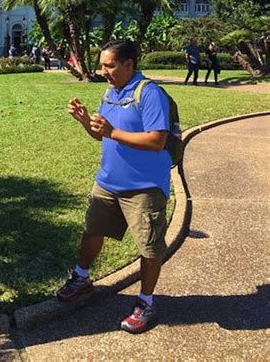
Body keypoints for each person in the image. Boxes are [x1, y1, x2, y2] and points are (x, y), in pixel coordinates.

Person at [57, 40, 172, 334]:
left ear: (129, 64)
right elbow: (103, 136)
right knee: (93, 231)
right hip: (108, 182)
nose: (103, 70)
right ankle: (82, 278)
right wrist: (86, 123)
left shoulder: (149, 93)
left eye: (110, 65)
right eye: (102, 64)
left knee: (149, 247)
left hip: (144, 187)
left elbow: (157, 140)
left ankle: (146, 302)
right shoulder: (110, 92)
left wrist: (113, 131)